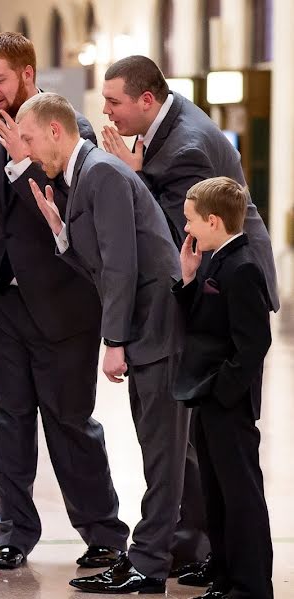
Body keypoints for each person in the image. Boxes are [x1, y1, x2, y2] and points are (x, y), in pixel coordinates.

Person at [100, 55, 279, 584]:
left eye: (114, 102)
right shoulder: (168, 130)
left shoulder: (187, 147)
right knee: (204, 444)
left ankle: (222, 560)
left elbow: (177, 232)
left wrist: (130, 180)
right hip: (209, 290)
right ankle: (204, 552)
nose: (107, 114)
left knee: (222, 451)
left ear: (147, 100)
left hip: (230, 291)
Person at [0, 32, 128, 571]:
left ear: (28, 75)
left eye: (0, 79)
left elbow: (64, 210)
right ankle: (12, 534)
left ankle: (103, 532)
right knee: (8, 421)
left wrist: (22, 164)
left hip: (63, 305)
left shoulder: (70, 131)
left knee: (71, 420)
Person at [16, 92, 187, 595]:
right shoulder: (83, 176)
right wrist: (62, 235)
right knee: (167, 448)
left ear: (54, 131)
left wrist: (113, 341)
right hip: (147, 328)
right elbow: (102, 259)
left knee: (163, 452)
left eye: (27, 138)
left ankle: (150, 564)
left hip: (156, 328)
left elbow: (121, 266)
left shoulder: (102, 173)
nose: (22, 150)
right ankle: (168, 553)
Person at [173, 177, 273, 599]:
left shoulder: (244, 266)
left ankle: (250, 586)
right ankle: (225, 576)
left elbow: (254, 344)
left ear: (214, 221)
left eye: (191, 221)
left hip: (225, 399)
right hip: (207, 394)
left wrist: (223, 392)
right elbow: (201, 322)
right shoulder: (213, 259)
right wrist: (190, 279)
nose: (187, 230)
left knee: (241, 495)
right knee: (216, 494)